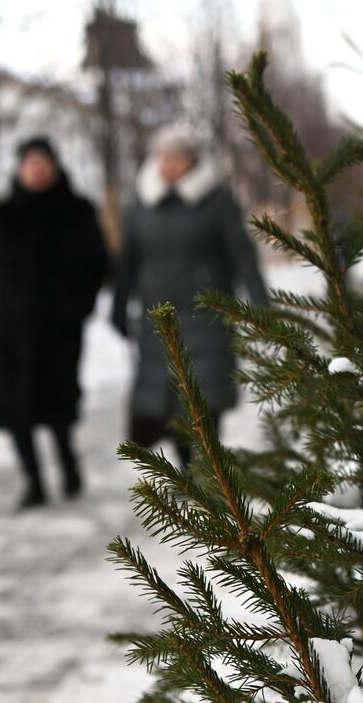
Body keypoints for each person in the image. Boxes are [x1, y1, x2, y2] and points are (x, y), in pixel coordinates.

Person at [111, 125, 267, 468]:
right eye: (162, 158)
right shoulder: (142, 202)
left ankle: (209, 470)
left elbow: (242, 256)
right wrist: (119, 306)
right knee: (167, 399)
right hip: (158, 315)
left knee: (205, 396)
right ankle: (188, 471)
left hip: (207, 314)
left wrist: (260, 307)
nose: (167, 166)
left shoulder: (216, 200)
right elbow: (128, 261)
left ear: (192, 161)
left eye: (175, 159)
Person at [0, 137, 109, 509]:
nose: (36, 167)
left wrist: (76, 307)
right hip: (7, 332)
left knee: (58, 406)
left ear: (55, 166)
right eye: (29, 161)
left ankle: (69, 466)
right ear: (19, 168)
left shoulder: (77, 210)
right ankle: (33, 482)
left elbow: (99, 266)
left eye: (42, 161)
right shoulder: (2, 214)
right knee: (15, 410)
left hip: (58, 333)